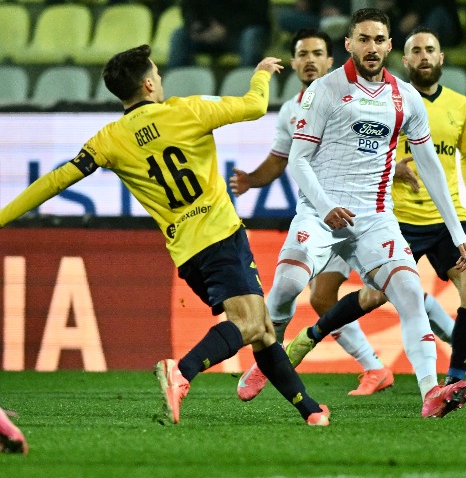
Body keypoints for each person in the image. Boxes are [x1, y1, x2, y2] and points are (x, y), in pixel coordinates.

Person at [0, 45, 330, 428]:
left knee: (263, 331)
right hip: (220, 235)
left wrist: (4, 216)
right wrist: (260, 74)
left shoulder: (108, 139)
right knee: (253, 324)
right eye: (156, 73)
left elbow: (57, 180)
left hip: (186, 253)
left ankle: (310, 410)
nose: (159, 78)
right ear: (148, 84)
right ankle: (182, 371)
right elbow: (255, 106)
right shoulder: (187, 110)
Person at [262, 8, 466, 418]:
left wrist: (457, 230)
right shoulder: (324, 90)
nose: (372, 47)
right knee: (288, 285)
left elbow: (430, 166)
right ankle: (265, 362)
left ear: (390, 45)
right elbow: (298, 160)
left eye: (379, 40)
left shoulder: (405, 97)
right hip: (320, 213)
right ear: (349, 44)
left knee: (409, 292)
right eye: (363, 39)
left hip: (374, 217)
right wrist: (326, 207)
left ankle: (431, 392)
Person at [230, 28, 395, 397]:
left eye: (317, 53)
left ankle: (462, 355)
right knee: (311, 294)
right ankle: (372, 367)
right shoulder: (291, 110)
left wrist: (395, 168)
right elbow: (280, 160)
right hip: (319, 217)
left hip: (361, 215)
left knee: (396, 287)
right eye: (303, 54)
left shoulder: (358, 97)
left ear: (330, 60)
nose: (310, 60)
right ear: (292, 63)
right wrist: (251, 180)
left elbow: (378, 143)